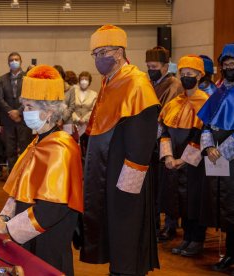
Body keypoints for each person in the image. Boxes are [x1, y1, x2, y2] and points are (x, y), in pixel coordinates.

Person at [0, 65, 83, 276]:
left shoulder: (61, 147)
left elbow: (51, 209)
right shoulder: (39, 140)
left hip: (47, 239)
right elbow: (21, 189)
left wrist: (9, 228)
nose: (23, 112)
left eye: (29, 107)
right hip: (30, 233)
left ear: (48, 112)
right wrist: (4, 218)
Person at [80, 25, 160, 275]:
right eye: (94, 54)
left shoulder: (136, 83)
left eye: (102, 52)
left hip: (126, 176)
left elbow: (142, 138)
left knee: (126, 227)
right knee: (113, 228)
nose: (98, 59)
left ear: (119, 52)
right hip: (108, 170)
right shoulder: (109, 82)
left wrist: (129, 183)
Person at [158, 55, 209, 257]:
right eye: (183, 74)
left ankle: (197, 239)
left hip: (194, 162)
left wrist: (184, 159)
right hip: (174, 159)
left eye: (191, 74)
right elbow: (165, 132)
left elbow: (202, 134)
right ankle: (186, 238)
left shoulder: (206, 102)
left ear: (199, 75)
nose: (186, 77)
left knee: (195, 200)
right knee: (181, 200)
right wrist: (168, 156)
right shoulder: (173, 103)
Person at [197, 43, 234, 272]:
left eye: (233, 64)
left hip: (230, 154)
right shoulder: (219, 91)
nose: (229, 67)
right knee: (226, 207)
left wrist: (224, 149)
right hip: (218, 158)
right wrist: (209, 146)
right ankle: (230, 253)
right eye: (226, 64)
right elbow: (206, 123)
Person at [145, 46, 184, 242]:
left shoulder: (173, 84)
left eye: (154, 66)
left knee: (168, 185)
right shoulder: (148, 83)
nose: (150, 69)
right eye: (148, 66)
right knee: (152, 185)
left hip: (167, 138)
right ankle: (153, 223)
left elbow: (167, 114)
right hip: (149, 141)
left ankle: (170, 225)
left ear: (166, 66)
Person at [0, 52, 33, 172]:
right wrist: (11, 112)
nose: (14, 61)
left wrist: (18, 112)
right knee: (10, 150)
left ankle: (24, 174)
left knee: (24, 148)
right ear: (8, 63)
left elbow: (29, 97)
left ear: (21, 61)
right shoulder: (2, 79)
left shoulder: (27, 77)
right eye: (11, 60)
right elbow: (0, 99)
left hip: (24, 119)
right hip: (8, 119)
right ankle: (12, 176)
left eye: (16, 59)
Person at [72, 71, 97, 156]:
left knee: (86, 146)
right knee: (73, 145)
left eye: (86, 79)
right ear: (79, 81)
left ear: (89, 81)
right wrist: (77, 119)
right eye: (82, 79)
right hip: (74, 123)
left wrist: (84, 119)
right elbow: (70, 107)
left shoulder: (94, 94)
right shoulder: (73, 92)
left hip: (87, 124)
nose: (84, 81)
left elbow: (94, 109)